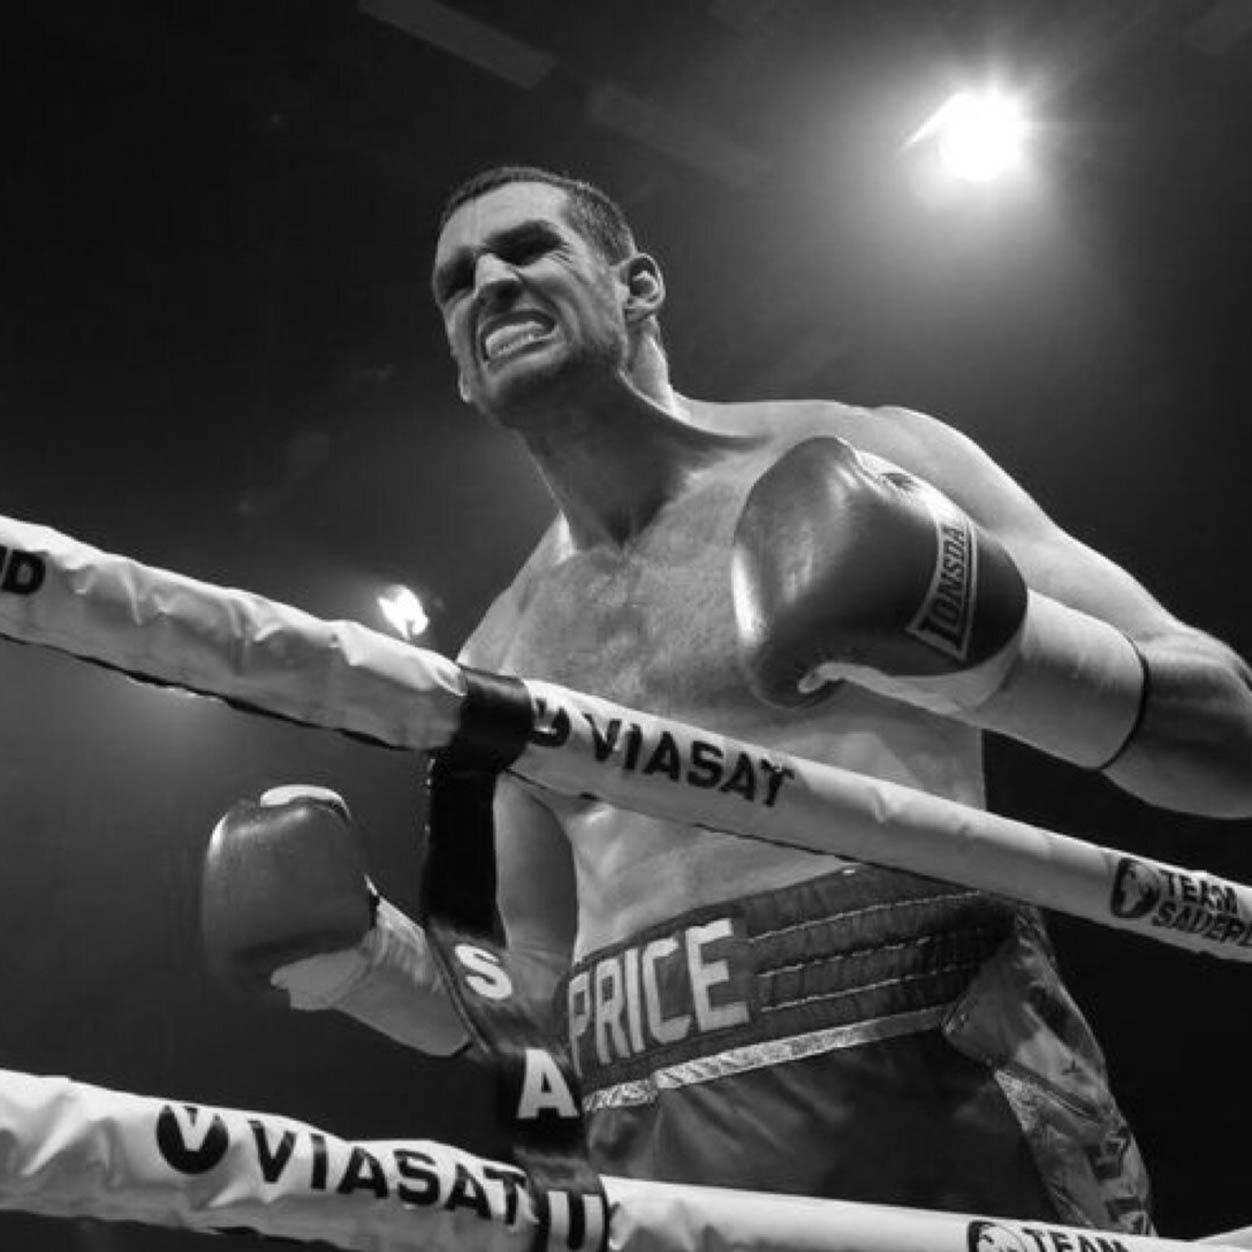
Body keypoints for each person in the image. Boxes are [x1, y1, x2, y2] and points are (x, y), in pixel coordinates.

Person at [202, 166, 1252, 1233]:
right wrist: (361, 962)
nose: (491, 284)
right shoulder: (495, 654)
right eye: (457, 281)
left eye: (526, 249)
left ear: (638, 285)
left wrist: (998, 647)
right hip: (652, 1145)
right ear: (463, 372)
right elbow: (539, 1002)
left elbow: (1228, 731)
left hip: (937, 1075)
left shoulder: (867, 457)